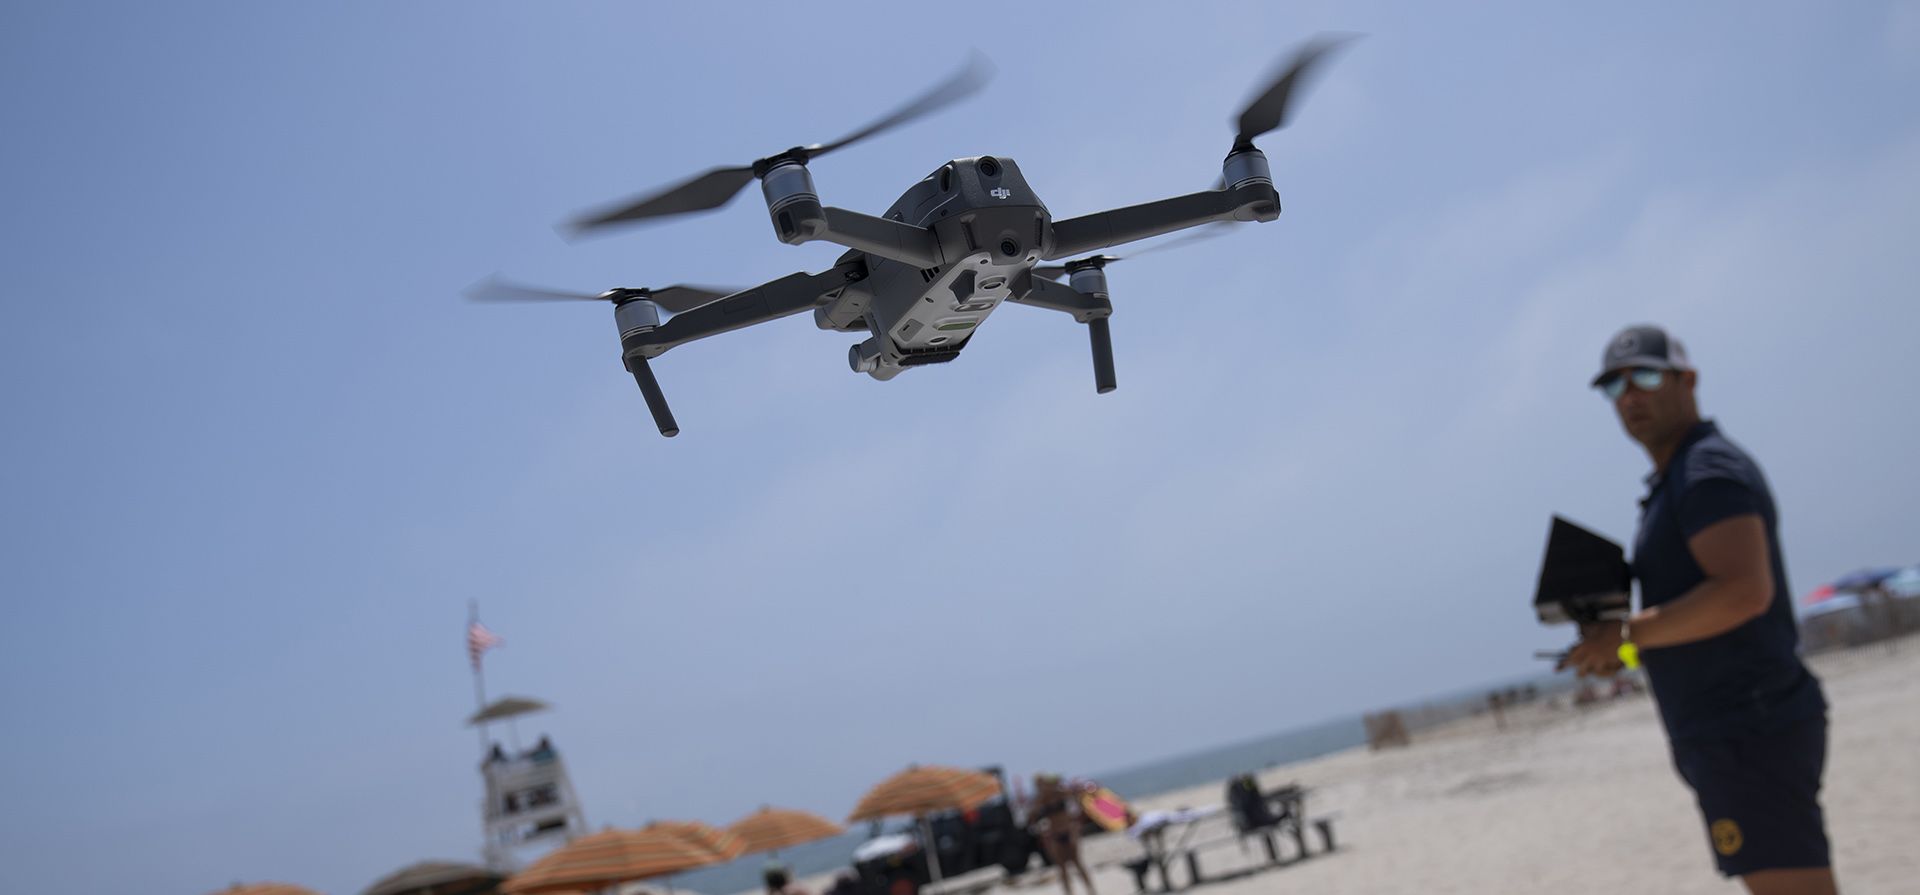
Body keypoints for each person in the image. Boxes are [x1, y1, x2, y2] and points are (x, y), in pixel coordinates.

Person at [1562, 325, 1835, 895]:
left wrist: (1625, 634)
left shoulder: (1707, 473)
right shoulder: (1677, 481)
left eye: (1645, 376)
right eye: (1614, 386)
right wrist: (1618, 649)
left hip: (1749, 726)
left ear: (1688, 380)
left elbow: (1742, 593)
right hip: (1733, 729)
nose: (1630, 396)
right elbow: (1691, 619)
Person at [1028, 774, 1097, 895]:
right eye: (1038, 785)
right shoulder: (1040, 800)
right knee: (1062, 868)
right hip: (1055, 835)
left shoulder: (1059, 793)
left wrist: (1076, 820)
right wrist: (1041, 830)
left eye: (1042, 783)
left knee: (1077, 863)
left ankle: (1091, 891)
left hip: (1068, 832)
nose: (1041, 787)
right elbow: (1032, 819)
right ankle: (1069, 892)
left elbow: (1076, 795)